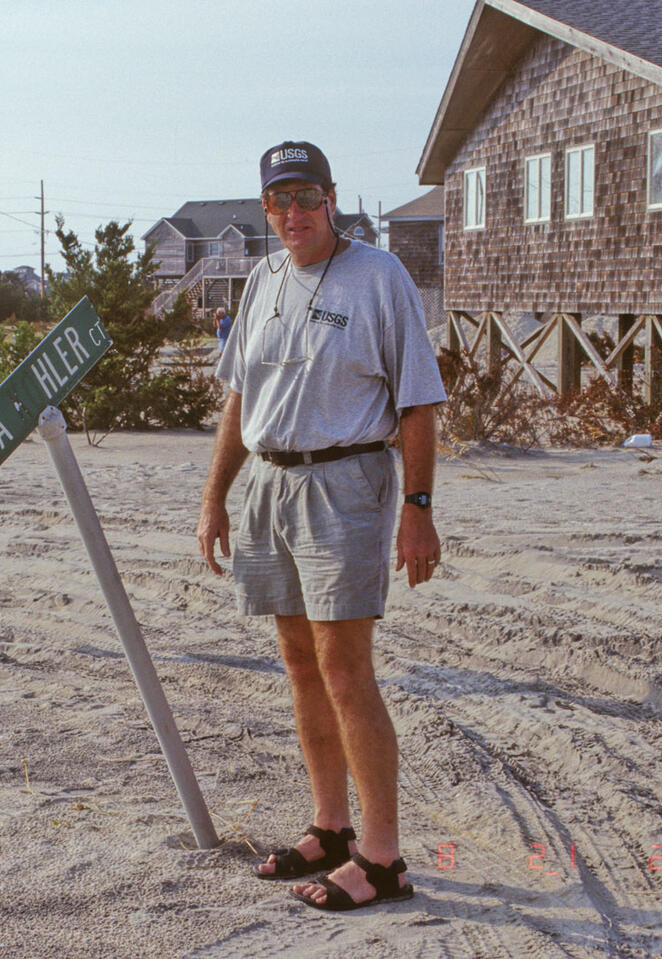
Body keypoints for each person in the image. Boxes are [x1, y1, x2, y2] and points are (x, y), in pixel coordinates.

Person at [195, 141, 446, 912]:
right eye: (280, 202)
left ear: (331, 199)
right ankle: (331, 826)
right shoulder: (264, 278)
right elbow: (241, 401)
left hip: (346, 484)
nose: (294, 214)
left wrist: (418, 508)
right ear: (265, 209)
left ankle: (382, 856)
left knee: (346, 668)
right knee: (299, 662)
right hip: (269, 483)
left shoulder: (379, 276)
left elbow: (417, 402)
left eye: (307, 198)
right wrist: (214, 499)